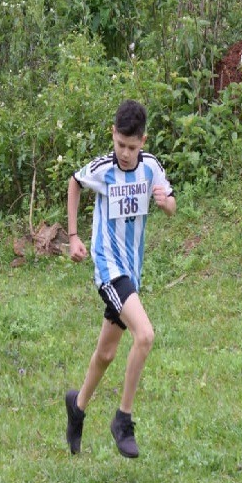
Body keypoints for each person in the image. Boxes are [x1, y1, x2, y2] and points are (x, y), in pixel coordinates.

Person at [64, 99, 176, 458]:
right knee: (145, 335)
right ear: (113, 135)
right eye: (120, 145)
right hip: (108, 269)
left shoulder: (151, 169)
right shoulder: (103, 169)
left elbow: (172, 204)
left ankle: (77, 407)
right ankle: (122, 420)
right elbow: (74, 183)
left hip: (132, 269)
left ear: (143, 141)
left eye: (132, 147)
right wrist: (73, 236)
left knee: (107, 352)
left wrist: (164, 202)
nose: (125, 154)